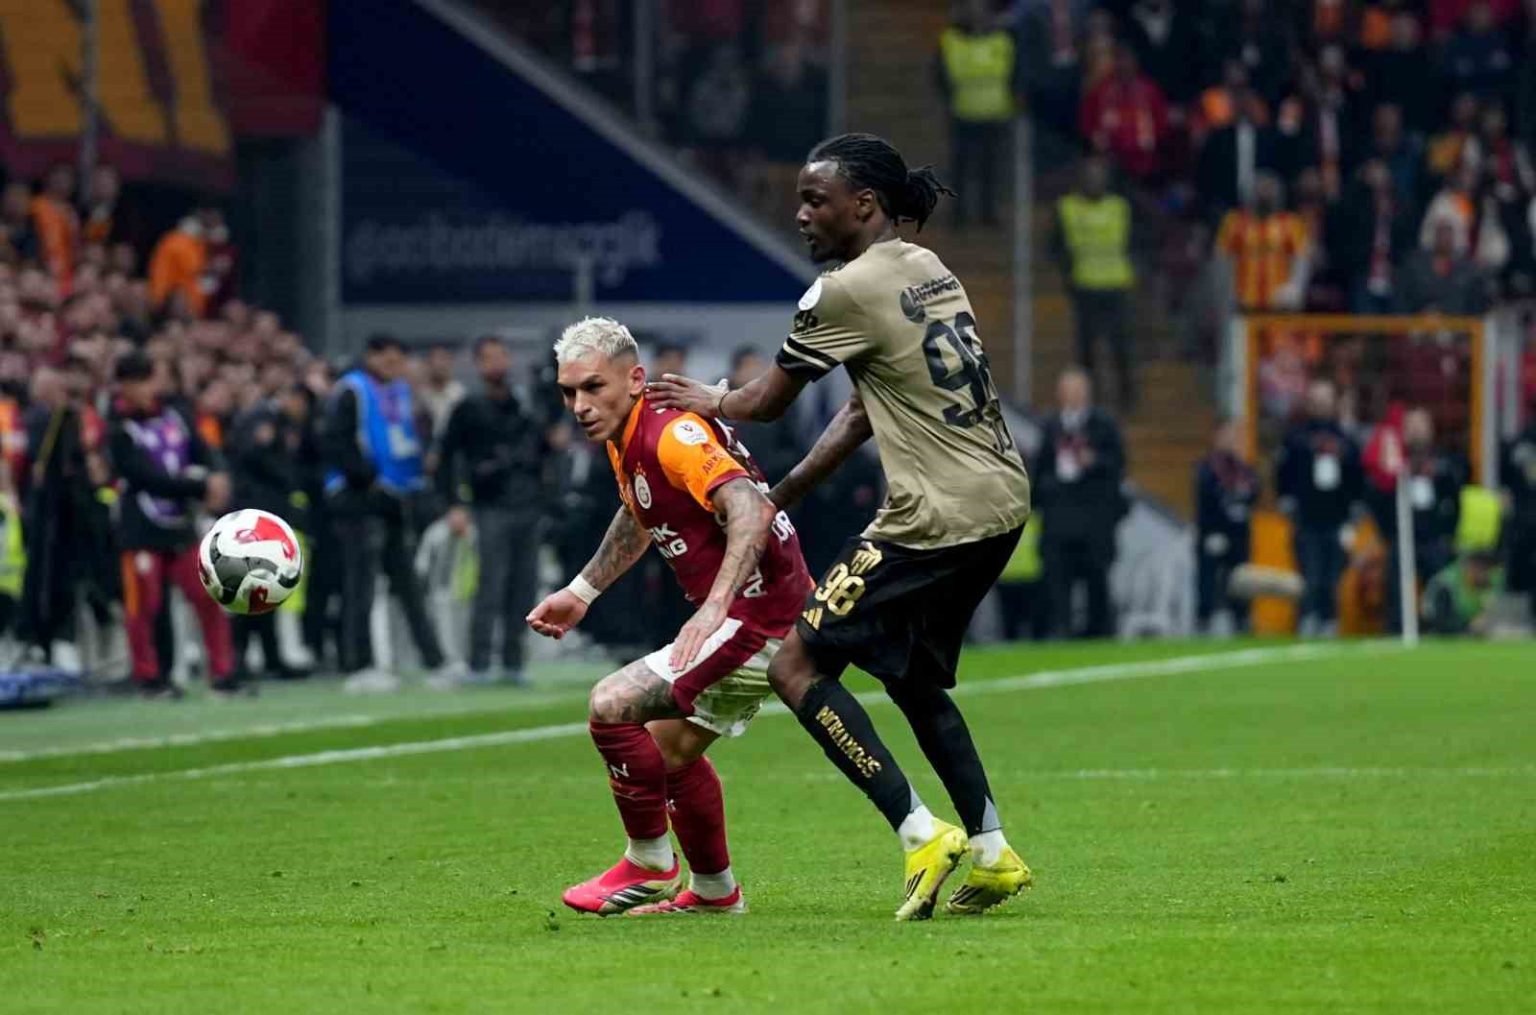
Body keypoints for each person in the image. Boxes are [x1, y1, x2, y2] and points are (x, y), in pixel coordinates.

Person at [647, 133, 1034, 919]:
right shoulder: (927, 267)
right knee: (911, 676)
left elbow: (766, 402)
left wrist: (710, 399)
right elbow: (863, 410)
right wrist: (783, 494)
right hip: (1001, 500)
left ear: (863, 205)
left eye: (814, 200)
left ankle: (920, 833)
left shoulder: (841, 292)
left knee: (795, 665)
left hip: (933, 514)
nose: (800, 215)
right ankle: (993, 851)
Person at [527, 316, 811, 916]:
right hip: (759, 611)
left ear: (635, 379)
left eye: (593, 387)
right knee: (667, 751)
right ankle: (714, 893)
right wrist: (582, 591)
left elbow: (751, 510)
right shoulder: (627, 436)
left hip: (759, 617)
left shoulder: (672, 434)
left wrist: (715, 607)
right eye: (569, 392)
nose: (579, 406)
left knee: (611, 706)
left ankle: (650, 859)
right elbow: (641, 510)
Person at [321, 334, 457, 693]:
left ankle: (435, 662)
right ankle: (359, 664)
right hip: (358, 500)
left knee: (408, 585)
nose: (395, 368)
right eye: (389, 360)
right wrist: (366, 479)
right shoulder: (351, 391)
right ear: (372, 357)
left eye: (399, 362)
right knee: (360, 586)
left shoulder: (398, 392)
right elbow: (336, 443)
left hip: (393, 500)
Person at [106, 351, 238, 697]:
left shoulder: (176, 415)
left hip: (180, 525)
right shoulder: (119, 428)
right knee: (146, 607)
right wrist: (200, 487)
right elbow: (146, 478)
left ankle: (222, 674)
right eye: (139, 382)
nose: (147, 389)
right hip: (140, 529)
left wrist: (218, 474)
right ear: (125, 386)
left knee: (208, 595)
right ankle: (151, 678)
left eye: (149, 380)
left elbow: (203, 449)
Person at [435, 335, 553, 686]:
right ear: (478, 364)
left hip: (527, 504)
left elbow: (544, 451)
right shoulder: (467, 408)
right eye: (489, 357)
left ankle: (514, 662)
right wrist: (454, 503)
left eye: (501, 355)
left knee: (523, 587)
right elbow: (446, 459)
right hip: (490, 506)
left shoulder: (524, 406)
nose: (497, 362)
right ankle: (479, 663)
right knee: (490, 586)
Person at [1033, 368, 1125, 639]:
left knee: (1096, 578)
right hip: (1059, 518)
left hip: (1093, 518)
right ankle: (1061, 630)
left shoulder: (1103, 424)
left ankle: (1098, 632)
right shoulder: (1050, 425)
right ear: (1059, 394)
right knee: (1057, 579)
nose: (1073, 396)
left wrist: (1093, 461)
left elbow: (1118, 465)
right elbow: (1040, 470)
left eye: (1078, 390)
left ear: (1088, 393)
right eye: (1068, 390)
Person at [227, 384, 311, 681]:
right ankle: (238, 658)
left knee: (267, 588)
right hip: (254, 516)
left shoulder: (280, 422)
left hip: (270, 514)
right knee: (248, 587)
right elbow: (253, 455)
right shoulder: (262, 418)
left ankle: (270, 656)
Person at [1275, 379, 1362, 636]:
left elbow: (1356, 478)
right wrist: (1286, 500)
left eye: (1325, 399)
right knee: (1309, 574)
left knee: (1332, 577)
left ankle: (1329, 621)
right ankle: (1307, 619)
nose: (1321, 405)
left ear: (1333, 403)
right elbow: (1283, 473)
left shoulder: (1346, 440)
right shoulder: (1295, 437)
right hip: (1306, 517)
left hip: (1337, 519)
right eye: (1316, 399)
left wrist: (1353, 516)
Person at [1054, 155, 1136, 410]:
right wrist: (1067, 273)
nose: (1095, 181)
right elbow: (1055, 245)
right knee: (1086, 349)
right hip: (1084, 285)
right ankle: (1087, 400)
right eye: (1090, 176)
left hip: (1116, 284)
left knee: (1120, 345)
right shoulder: (1067, 207)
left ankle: (1127, 398)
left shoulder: (1119, 207)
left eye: (1099, 176)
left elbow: (1136, 240)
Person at [935, 0, 1018, 227]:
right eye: (971, 9)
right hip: (962, 111)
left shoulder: (1002, 40)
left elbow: (1014, 73)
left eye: (981, 10)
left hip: (996, 112)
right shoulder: (951, 40)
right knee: (961, 166)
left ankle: (987, 213)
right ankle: (959, 214)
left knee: (990, 166)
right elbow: (940, 74)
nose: (977, 15)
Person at [1194, 417, 1259, 634]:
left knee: (1239, 580)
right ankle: (1204, 621)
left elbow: (1254, 493)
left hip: (1238, 534)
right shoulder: (1207, 467)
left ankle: (1241, 619)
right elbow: (1205, 500)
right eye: (1227, 435)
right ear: (1217, 437)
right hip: (1214, 534)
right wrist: (1211, 532)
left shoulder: (1243, 469)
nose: (1231, 440)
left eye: (1235, 436)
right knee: (1209, 580)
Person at [1215, 173, 1311, 311]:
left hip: (1279, 304)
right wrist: (1225, 291)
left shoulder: (1291, 223)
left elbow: (1301, 260)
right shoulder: (1234, 221)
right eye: (1260, 189)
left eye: (1269, 189)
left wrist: (1295, 287)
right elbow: (1222, 259)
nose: (1265, 194)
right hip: (1242, 304)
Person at [1500, 410, 1536, 625]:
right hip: (1523, 520)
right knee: (1519, 572)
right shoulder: (1519, 443)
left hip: (1522, 520)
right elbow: (1505, 483)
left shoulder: (1518, 442)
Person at [1421, 550, 1503, 635]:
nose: (1484, 572)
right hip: (1447, 634)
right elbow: (1438, 621)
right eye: (1479, 567)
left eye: (1487, 567)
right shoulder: (1445, 585)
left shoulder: (1494, 581)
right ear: (1467, 565)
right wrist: (1469, 626)